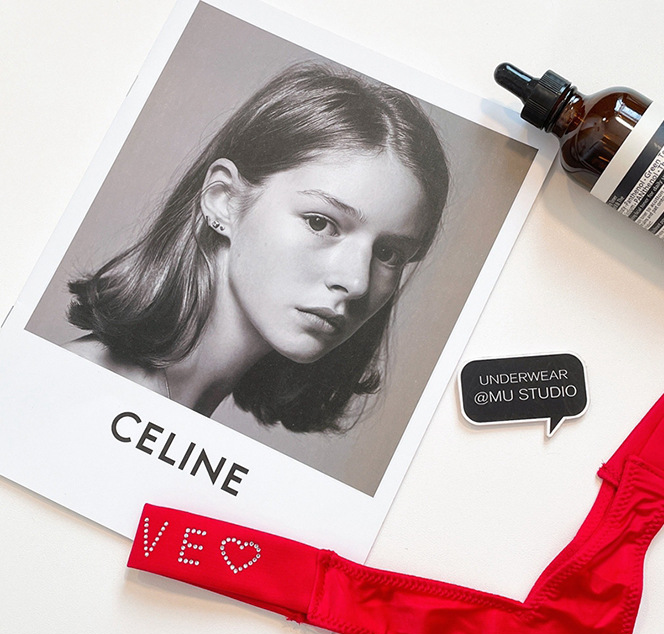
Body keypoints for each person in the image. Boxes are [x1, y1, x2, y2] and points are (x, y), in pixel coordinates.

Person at [66, 62, 450, 433]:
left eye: (389, 254)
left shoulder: (172, 409)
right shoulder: (85, 391)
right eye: (320, 223)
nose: (356, 282)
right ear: (223, 199)